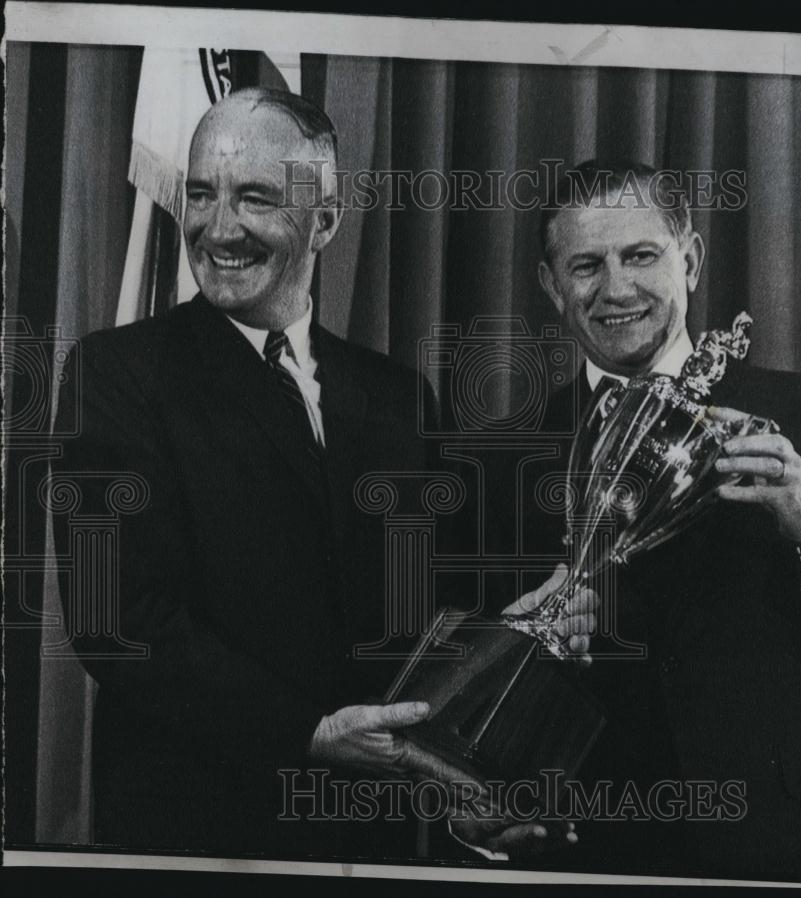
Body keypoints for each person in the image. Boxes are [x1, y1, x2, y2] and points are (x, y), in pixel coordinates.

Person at [50, 88, 596, 862]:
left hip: (377, 837)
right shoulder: (116, 373)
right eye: (201, 194)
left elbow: (434, 614)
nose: (218, 227)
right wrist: (309, 733)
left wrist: (522, 634)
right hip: (195, 835)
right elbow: (119, 620)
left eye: (256, 198)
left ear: (327, 221)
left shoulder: (397, 397)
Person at [492, 160, 801, 878]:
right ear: (552, 286)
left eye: (641, 255)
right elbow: (478, 687)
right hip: (585, 851)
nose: (616, 289)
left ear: (692, 260)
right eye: (586, 265)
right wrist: (522, 641)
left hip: (778, 847)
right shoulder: (505, 455)